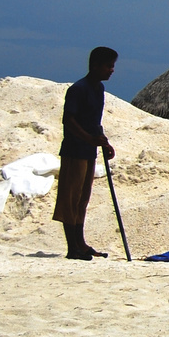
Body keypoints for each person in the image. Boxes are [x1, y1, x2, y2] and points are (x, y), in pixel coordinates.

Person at [55, 46, 117, 260]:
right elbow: (69, 121)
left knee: (82, 198)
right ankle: (72, 248)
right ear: (95, 66)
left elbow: (94, 122)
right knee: (70, 199)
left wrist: (103, 142)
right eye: (108, 66)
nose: (112, 70)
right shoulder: (77, 89)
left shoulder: (98, 89)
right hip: (74, 150)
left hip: (89, 151)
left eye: (112, 66)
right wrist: (89, 139)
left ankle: (81, 243)